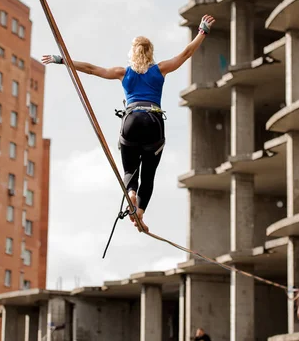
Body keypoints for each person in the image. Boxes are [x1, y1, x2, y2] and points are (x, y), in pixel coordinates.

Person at [42, 15, 216, 232]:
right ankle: (140, 212)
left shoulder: (123, 73)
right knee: (149, 174)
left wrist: (62, 60)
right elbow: (186, 53)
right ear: (150, 52)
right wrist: (202, 31)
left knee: (129, 170)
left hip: (131, 120)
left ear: (132, 53)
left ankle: (131, 194)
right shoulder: (160, 69)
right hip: (153, 121)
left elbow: (90, 69)